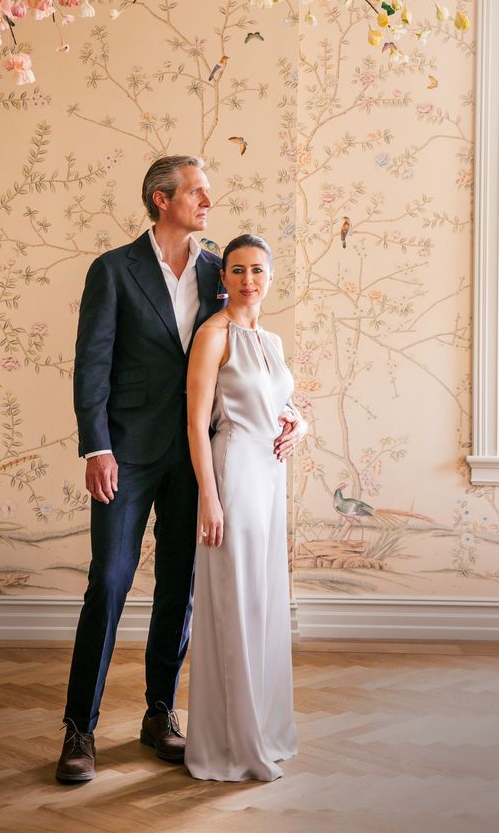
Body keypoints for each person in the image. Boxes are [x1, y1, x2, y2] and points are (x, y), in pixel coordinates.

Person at [56, 155, 223, 782]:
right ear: (161, 199)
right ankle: (79, 729)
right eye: (196, 192)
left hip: (194, 454)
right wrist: (96, 447)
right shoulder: (113, 270)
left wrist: (287, 413)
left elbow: (244, 346)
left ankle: (159, 713)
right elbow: (91, 364)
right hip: (124, 453)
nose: (207, 201)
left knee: (178, 584)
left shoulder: (215, 272)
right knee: (111, 580)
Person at [184, 233, 303, 782]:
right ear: (223, 278)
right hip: (233, 473)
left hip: (271, 477)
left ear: (270, 277)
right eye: (237, 270)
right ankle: (231, 741)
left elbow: (283, 405)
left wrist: (301, 423)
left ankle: (264, 729)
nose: (248, 280)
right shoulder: (213, 335)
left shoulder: (272, 341)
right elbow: (196, 421)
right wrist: (209, 497)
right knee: (235, 599)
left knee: (263, 601)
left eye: (257, 270)